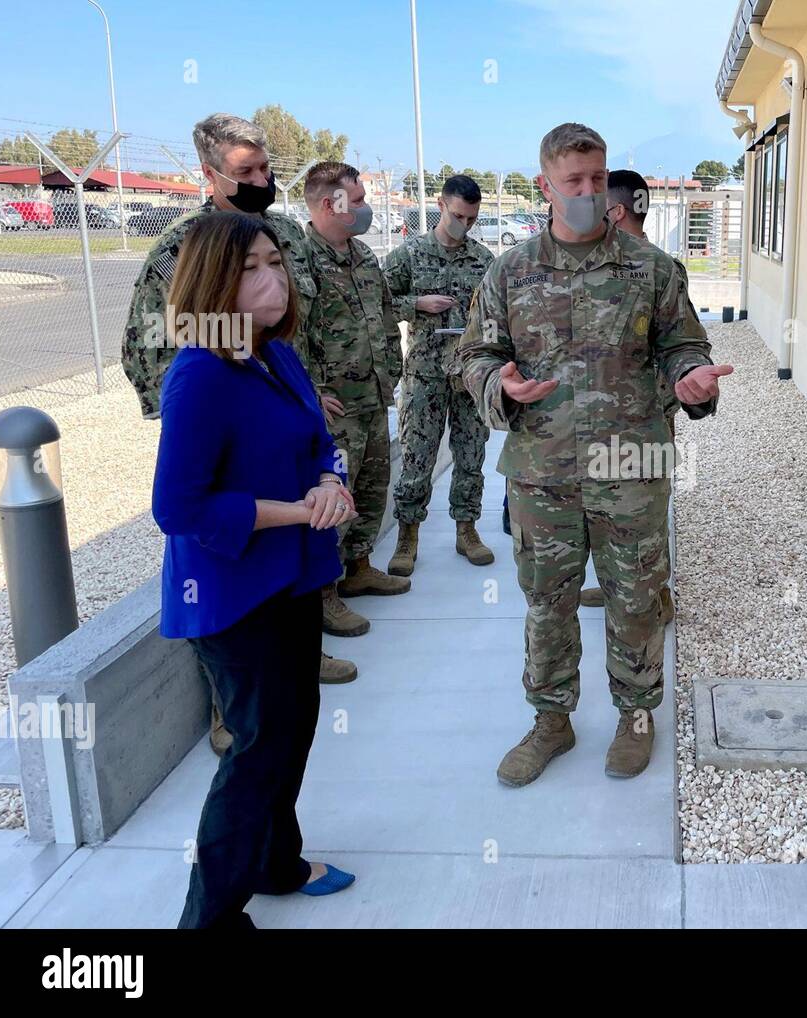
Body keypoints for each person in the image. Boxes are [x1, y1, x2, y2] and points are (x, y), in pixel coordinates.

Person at [458, 123, 734, 787]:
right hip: (541, 474)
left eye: (595, 179)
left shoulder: (652, 270)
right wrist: (501, 384)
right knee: (546, 605)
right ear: (544, 184)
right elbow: (473, 356)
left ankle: (636, 715)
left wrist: (690, 381)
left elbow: (681, 348)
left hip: (631, 472)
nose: (587, 192)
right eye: (572, 181)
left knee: (635, 600)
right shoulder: (509, 272)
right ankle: (551, 720)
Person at [121, 112, 355, 749]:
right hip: (231, 436)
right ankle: (230, 711)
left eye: (266, 168)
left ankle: (300, 648)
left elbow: (305, 319)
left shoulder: (277, 232)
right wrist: (214, 404)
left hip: (281, 405)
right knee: (257, 717)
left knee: (285, 704)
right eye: (246, 171)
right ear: (212, 173)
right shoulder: (186, 246)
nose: (261, 180)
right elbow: (149, 347)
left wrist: (301, 395)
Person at [152, 212, 357, 929]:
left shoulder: (276, 354)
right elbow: (178, 507)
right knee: (256, 752)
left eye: (275, 260)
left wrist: (333, 485)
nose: (273, 276)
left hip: (292, 581)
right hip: (235, 595)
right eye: (250, 267)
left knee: (291, 728)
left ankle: (276, 862)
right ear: (213, 283)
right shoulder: (200, 375)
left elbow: (319, 442)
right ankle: (208, 919)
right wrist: (299, 512)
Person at [299, 161, 408, 638]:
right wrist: (312, 392)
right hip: (333, 409)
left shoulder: (362, 255)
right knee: (333, 497)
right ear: (330, 203)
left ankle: (359, 567)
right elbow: (290, 336)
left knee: (371, 487)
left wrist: (393, 369)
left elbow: (385, 316)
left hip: (373, 397)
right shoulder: (299, 259)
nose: (364, 209)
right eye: (357, 201)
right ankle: (324, 594)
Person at [579, 169, 686, 623]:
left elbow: (677, 341)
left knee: (643, 510)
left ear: (616, 210)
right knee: (621, 508)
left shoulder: (653, 266)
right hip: (623, 413)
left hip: (647, 411)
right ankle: (621, 584)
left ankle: (654, 599)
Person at [383, 174, 495, 575]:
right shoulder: (409, 255)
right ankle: (407, 536)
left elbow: (501, 314)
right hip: (425, 376)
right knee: (416, 457)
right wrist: (417, 304)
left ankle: (467, 530)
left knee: (471, 456)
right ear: (440, 205)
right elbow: (379, 302)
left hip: (468, 377)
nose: (464, 225)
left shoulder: (483, 261)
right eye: (459, 216)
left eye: (472, 219)